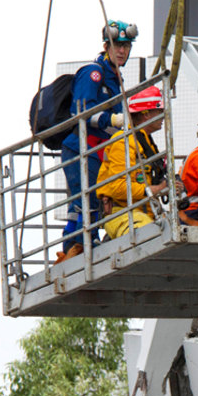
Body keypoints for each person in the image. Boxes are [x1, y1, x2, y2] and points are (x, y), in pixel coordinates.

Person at [58, 19, 139, 260]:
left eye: (126, 46)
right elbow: (80, 111)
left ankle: (87, 241)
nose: (122, 50)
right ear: (106, 46)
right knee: (83, 201)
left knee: (97, 198)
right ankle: (73, 248)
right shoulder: (94, 73)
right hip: (81, 148)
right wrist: (110, 120)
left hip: (100, 150)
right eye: (117, 45)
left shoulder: (115, 78)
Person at [95, 85, 167, 239]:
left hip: (144, 213)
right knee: (149, 235)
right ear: (146, 114)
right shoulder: (124, 141)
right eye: (159, 111)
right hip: (121, 213)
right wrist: (156, 189)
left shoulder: (145, 142)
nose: (162, 116)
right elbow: (118, 187)